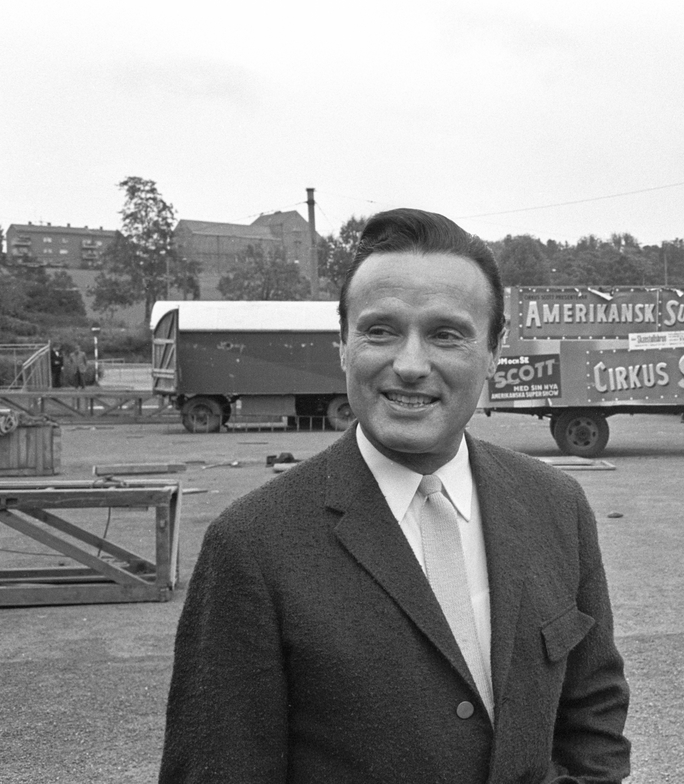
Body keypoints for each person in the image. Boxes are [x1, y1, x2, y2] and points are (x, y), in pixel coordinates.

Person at [160, 209, 631, 783]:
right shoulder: (251, 546)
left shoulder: (557, 506)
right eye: (380, 330)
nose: (409, 365)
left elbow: (593, 712)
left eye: (446, 334)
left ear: (493, 351)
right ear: (343, 344)